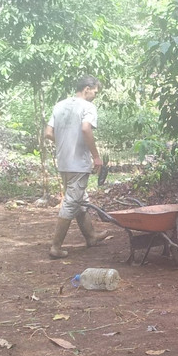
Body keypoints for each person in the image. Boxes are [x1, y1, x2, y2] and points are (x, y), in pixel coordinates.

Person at [44, 75, 108, 258]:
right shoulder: (87, 107)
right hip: (78, 163)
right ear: (87, 89)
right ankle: (56, 247)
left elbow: (48, 133)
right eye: (95, 91)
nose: (95, 95)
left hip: (64, 162)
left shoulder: (59, 105)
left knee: (80, 198)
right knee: (72, 201)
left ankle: (91, 236)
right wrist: (96, 156)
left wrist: (65, 143)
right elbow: (86, 128)